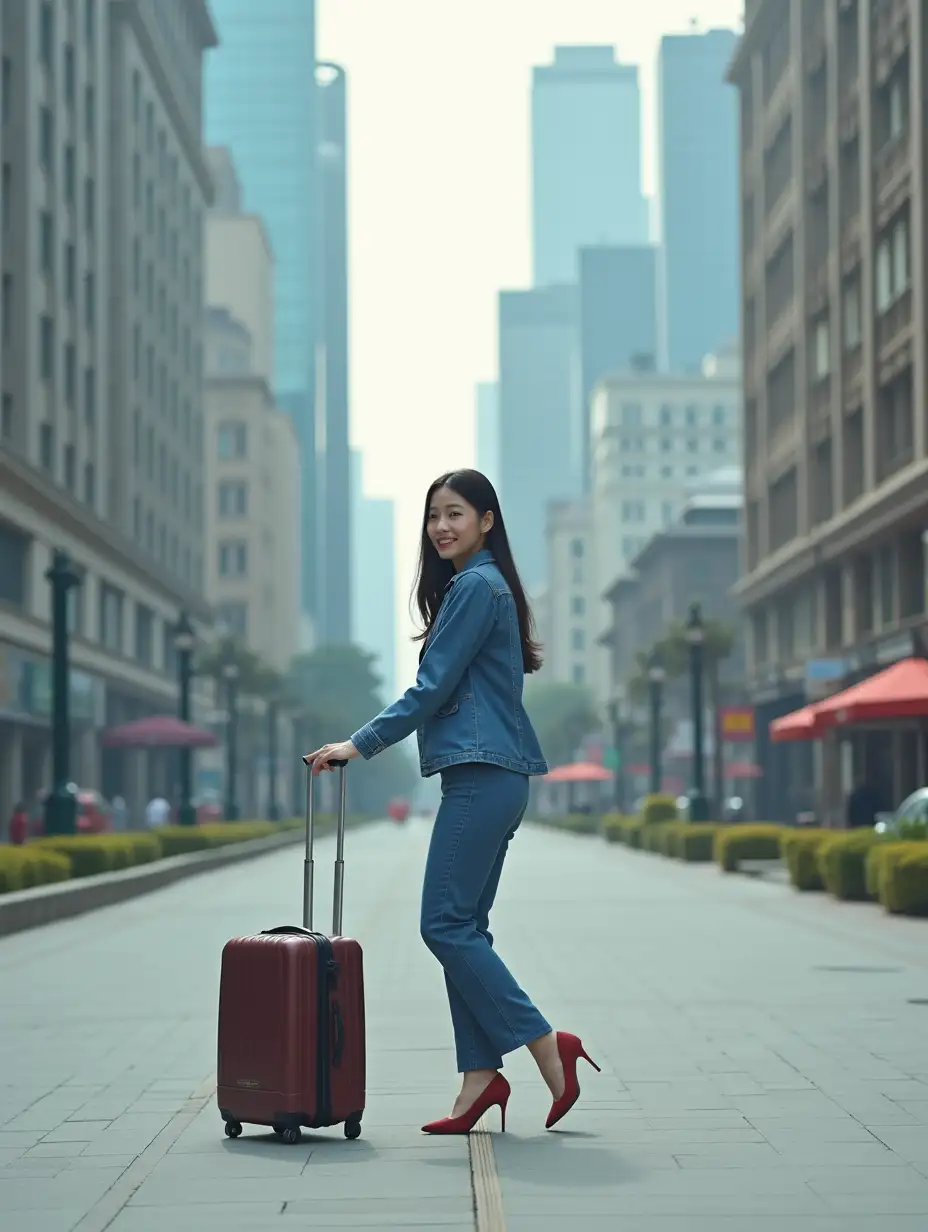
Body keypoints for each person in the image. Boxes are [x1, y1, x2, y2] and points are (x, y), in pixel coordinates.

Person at [305, 469, 599, 1135]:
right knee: (466, 928)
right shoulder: (487, 587)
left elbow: (431, 688)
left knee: (442, 925)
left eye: (456, 513)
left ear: (487, 520)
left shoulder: (474, 586)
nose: (442, 526)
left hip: (480, 772)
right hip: (497, 774)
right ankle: (478, 1079)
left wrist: (362, 742)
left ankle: (547, 1045)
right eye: (434, 515)